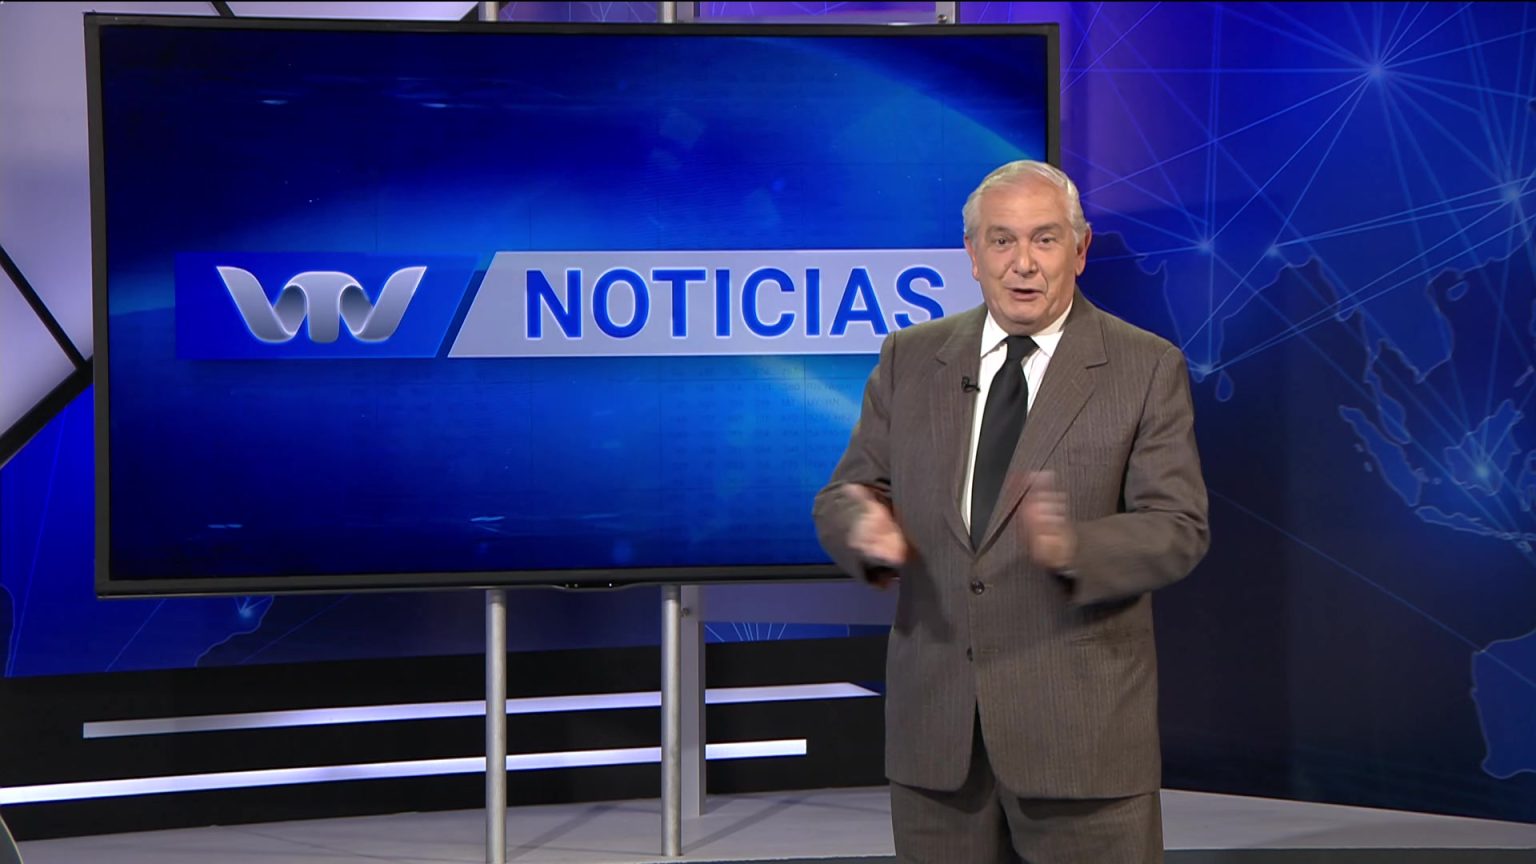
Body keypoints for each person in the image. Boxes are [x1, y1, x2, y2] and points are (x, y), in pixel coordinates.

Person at [812, 159, 1209, 864]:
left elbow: (1178, 526)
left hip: (1081, 741)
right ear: (972, 254)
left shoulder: (1145, 367)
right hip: (937, 743)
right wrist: (863, 526)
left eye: (1045, 239)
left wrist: (1075, 548)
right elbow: (846, 491)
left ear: (1079, 250)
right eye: (1002, 240)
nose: (1023, 263)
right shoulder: (911, 358)